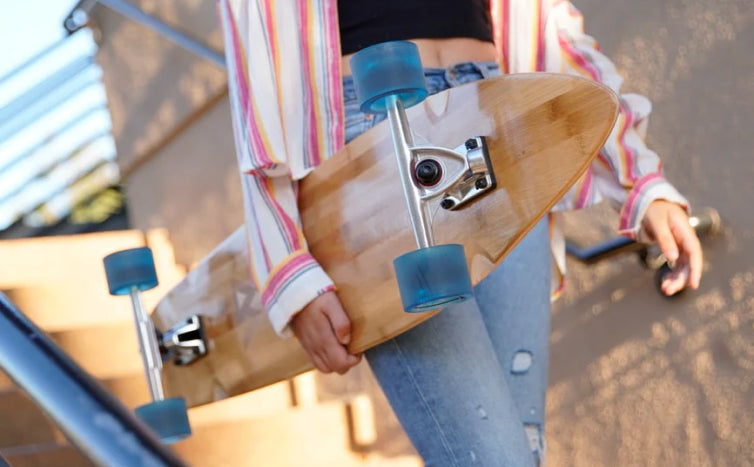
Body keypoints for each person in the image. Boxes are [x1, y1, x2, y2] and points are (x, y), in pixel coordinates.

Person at [216, 0, 703, 464]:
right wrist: (285, 262)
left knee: (524, 448)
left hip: (499, 114)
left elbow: (553, 30)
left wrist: (641, 180)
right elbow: (255, 55)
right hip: (368, 134)